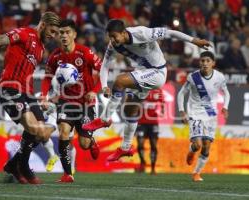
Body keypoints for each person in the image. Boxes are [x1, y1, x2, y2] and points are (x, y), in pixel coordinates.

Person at [82, 19, 211, 162]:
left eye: (114, 36)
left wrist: (195, 41)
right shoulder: (113, 45)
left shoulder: (142, 33)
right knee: (129, 110)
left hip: (157, 72)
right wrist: (105, 85)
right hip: (143, 72)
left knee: (119, 81)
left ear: (124, 33)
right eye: (110, 37)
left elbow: (170, 32)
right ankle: (126, 147)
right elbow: (105, 66)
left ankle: (105, 119)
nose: (112, 40)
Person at [0, 12, 60, 184]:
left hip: (27, 92)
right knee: (35, 129)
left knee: (42, 133)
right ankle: (22, 166)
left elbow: (16, 63)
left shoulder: (41, 48)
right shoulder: (24, 33)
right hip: (11, 90)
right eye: (51, 30)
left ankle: (14, 164)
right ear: (43, 25)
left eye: (55, 32)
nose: (53, 35)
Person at [40, 19, 102, 183]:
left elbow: (103, 73)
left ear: (74, 34)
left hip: (86, 103)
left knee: (84, 144)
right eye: (61, 33)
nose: (64, 36)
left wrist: (94, 92)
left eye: (67, 32)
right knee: (63, 132)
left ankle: (91, 140)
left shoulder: (85, 53)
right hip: (66, 102)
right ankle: (68, 174)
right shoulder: (55, 56)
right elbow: (47, 78)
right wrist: (43, 96)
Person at [177, 51, 230, 182]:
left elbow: (227, 93)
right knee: (198, 144)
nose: (205, 63)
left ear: (213, 63)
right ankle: (192, 150)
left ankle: (196, 173)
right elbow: (181, 93)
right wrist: (182, 111)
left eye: (208, 61)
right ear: (199, 62)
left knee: (206, 146)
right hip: (195, 113)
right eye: (202, 61)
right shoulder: (193, 77)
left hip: (211, 114)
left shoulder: (219, 77)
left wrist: (225, 106)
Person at [135, 88, 164, 175]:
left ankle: (153, 168)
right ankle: (142, 163)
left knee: (153, 145)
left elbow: (162, 102)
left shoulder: (158, 90)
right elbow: (134, 101)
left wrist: (162, 110)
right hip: (141, 122)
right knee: (140, 144)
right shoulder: (140, 89)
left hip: (153, 122)